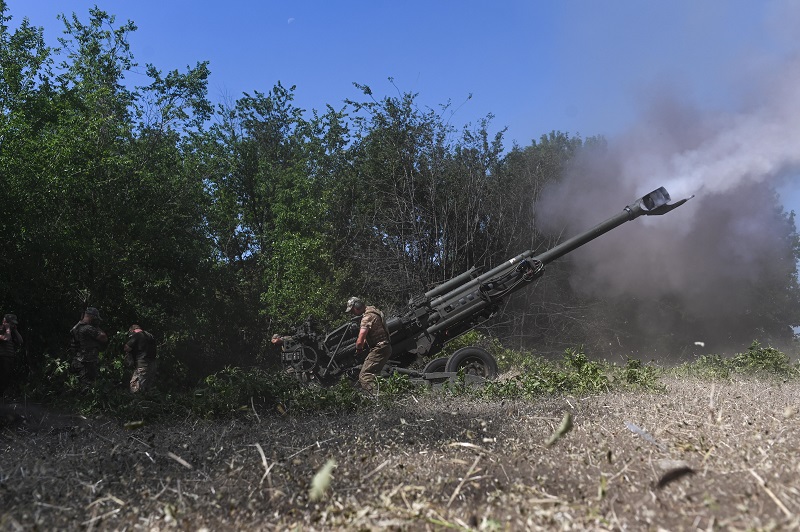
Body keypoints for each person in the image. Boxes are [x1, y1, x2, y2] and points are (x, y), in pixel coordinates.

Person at [346, 296, 392, 394]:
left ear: (357, 306)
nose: (352, 313)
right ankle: (385, 395)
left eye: (352, 310)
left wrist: (358, 349)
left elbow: (360, 339)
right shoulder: (373, 310)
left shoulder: (367, 317)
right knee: (375, 375)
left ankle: (379, 400)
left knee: (365, 376)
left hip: (379, 348)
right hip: (385, 346)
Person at [69, 307, 108, 385]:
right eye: (95, 318)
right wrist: (97, 326)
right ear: (91, 317)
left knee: (82, 383)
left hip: (78, 359)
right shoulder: (88, 328)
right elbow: (104, 338)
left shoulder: (76, 327)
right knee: (89, 385)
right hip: (87, 361)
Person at [124, 324, 157, 393]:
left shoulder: (137, 335)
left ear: (132, 330)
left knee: (135, 386)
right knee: (147, 388)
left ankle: (135, 402)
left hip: (142, 364)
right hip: (153, 364)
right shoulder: (150, 336)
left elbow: (127, 348)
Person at [0, 314, 23, 400]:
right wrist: (8, 328)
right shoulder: (2, 330)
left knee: (6, 381)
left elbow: (20, 341)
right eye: (11, 323)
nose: (13, 325)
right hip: (2, 358)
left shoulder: (9, 332)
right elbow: (6, 338)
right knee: (2, 380)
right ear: (6, 322)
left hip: (9, 359)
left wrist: (15, 330)